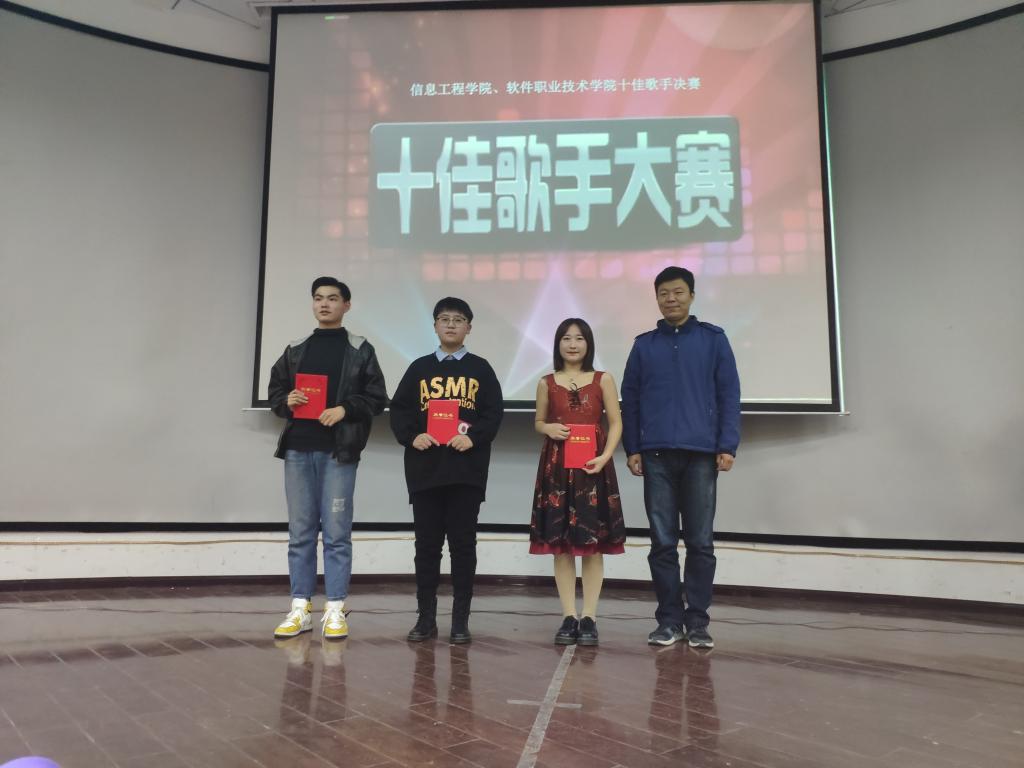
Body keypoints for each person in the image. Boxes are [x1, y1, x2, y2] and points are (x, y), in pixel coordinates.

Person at [621, 266, 741, 649]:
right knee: (662, 543)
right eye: (663, 293)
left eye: (677, 292)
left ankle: (698, 622)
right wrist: (632, 448)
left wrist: (727, 445)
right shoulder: (644, 346)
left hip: (701, 455)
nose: (670, 299)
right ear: (656, 298)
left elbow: (729, 394)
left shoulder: (713, 340)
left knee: (701, 542)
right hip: (655, 455)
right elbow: (630, 400)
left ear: (691, 295)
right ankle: (669, 621)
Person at [267, 277, 387, 640]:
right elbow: (276, 392)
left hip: (339, 451)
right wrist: (285, 400)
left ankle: (335, 608)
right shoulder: (296, 348)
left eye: (333, 298)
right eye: (318, 298)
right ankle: (300, 608)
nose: (324, 304)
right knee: (300, 532)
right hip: (298, 449)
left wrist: (344, 409)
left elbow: (376, 397)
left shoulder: (360, 348)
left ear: (346, 305)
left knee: (336, 532)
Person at [390, 297, 504, 644]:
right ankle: (425, 618)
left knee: (462, 546)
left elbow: (493, 414)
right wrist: (413, 436)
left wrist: (474, 438)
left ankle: (459, 620)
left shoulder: (481, 369)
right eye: (444, 319)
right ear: (435, 326)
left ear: (469, 327)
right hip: (425, 472)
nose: (451, 324)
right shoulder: (419, 369)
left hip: (466, 473)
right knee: (426, 547)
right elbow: (400, 412)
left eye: (458, 319)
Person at [530, 318, 626, 646]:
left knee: (592, 545)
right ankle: (569, 615)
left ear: (589, 344)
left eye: (580, 338)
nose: (573, 344)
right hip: (557, 468)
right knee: (561, 546)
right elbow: (538, 421)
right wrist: (547, 428)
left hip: (593, 469)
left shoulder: (603, 379)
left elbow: (616, 422)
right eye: (566, 338)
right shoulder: (546, 382)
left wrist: (605, 456)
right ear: (558, 344)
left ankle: (590, 617)